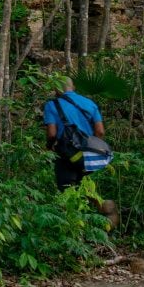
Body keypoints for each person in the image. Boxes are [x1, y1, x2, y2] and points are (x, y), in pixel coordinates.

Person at [43, 77, 119, 228]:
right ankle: (104, 208)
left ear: (57, 89)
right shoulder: (89, 103)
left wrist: (49, 147)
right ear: (74, 87)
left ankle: (73, 227)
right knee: (85, 186)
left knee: (67, 190)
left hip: (66, 155)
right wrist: (92, 145)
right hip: (88, 156)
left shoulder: (52, 105)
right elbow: (100, 131)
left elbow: (52, 134)